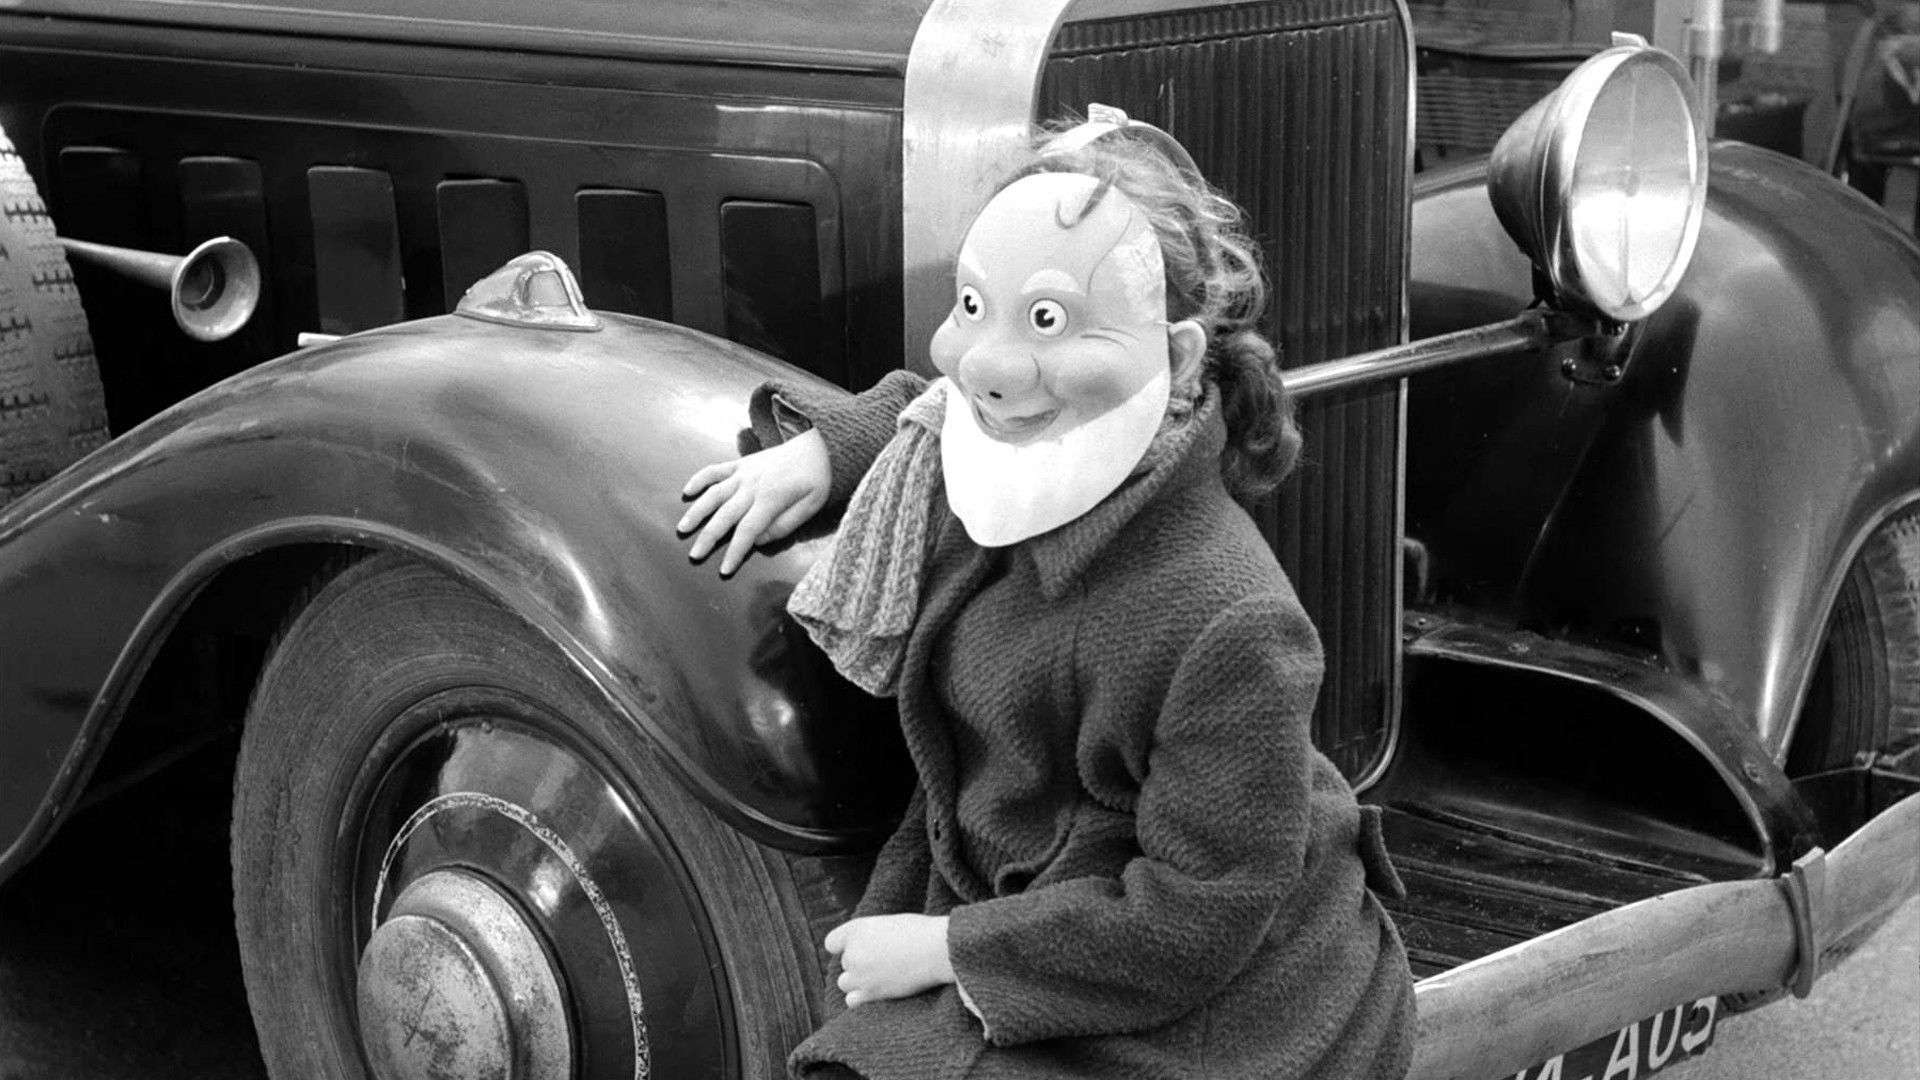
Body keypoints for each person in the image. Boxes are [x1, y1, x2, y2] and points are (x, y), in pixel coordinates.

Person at [677, 108, 1414, 1080]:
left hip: (1212, 990)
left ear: (1178, 360)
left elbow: (1197, 914)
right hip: (1036, 894)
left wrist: (948, 952)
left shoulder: (1232, 622)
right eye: (973, 308)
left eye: (1049, 321)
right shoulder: (1010, 447)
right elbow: (932, 410)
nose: (987, 363)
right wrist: (825, 451)